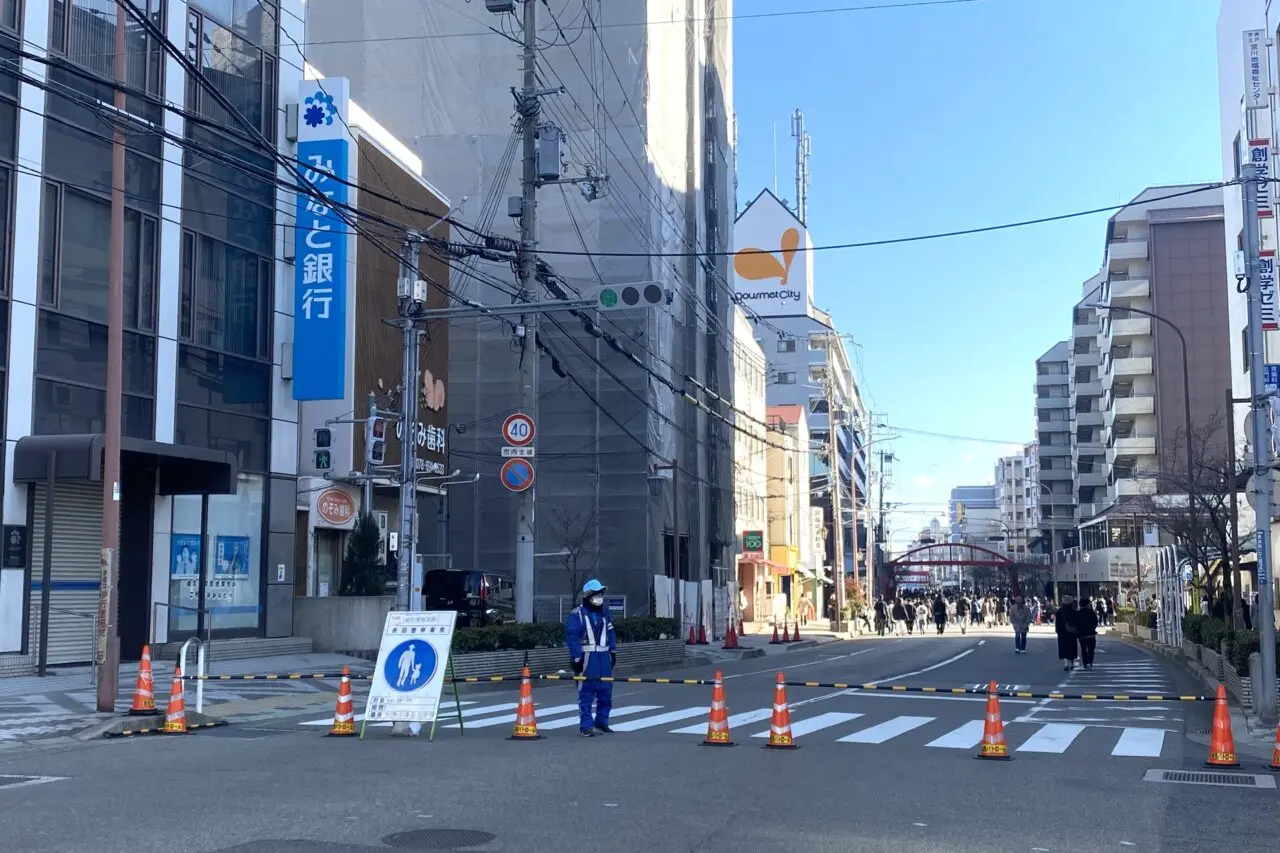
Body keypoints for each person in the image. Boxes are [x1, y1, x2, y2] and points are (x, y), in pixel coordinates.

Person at [565, 579, 618, 737]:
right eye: (597, 594)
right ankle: (586, 726)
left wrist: (613, 652)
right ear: (588, 596)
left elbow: (611, 633)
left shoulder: (604, 614)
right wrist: (576, 658)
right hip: (587, 658)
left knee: (606, 693)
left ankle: (602, 723)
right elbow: (572, 637)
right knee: (586, 694)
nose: (600, 597)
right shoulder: (577, 614)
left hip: (603, 657)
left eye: (601, 593)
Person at [1055, 596, 1079, 671]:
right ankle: (1072, 663)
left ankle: (1066, 664)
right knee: (1072, 648)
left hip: (1062, 632)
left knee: (1063, 648)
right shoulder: (1074, 611)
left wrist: (1058, 630)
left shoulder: (1059, 611)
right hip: (1071, 633)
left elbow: (1057, 623)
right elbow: (1077, 623)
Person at [1076, 596, 1099, 669]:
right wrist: (1092, 628)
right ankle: (1090, 662)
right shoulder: (1091, 612)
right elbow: (1096, 622)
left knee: (1083, 649)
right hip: (1091, 634)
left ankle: (1085, 663)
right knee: (1091, 649)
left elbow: (1076, 623)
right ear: (1087, 604)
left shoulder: (1078, 613)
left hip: (1081, 635)